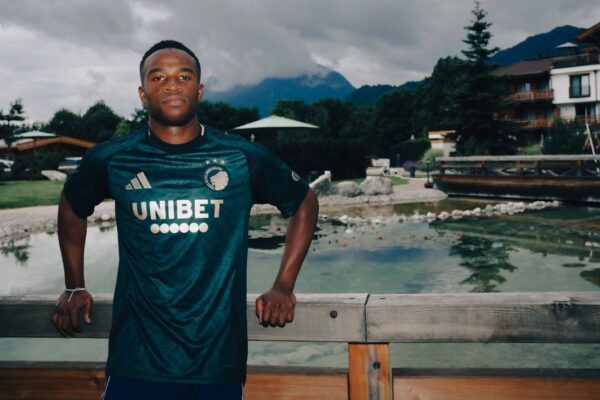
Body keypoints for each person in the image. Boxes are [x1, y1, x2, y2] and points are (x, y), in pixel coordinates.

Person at [51, 40, 319, 400]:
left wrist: (283, 285)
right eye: (158, 77)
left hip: (217, 359)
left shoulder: (240, 158)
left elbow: (304, 203)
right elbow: (72, 204)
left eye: (183, 76)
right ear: (143, 93)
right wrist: (74, 285)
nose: (172, 85)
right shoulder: (114, 158)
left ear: (199, 90)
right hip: (136, 358)